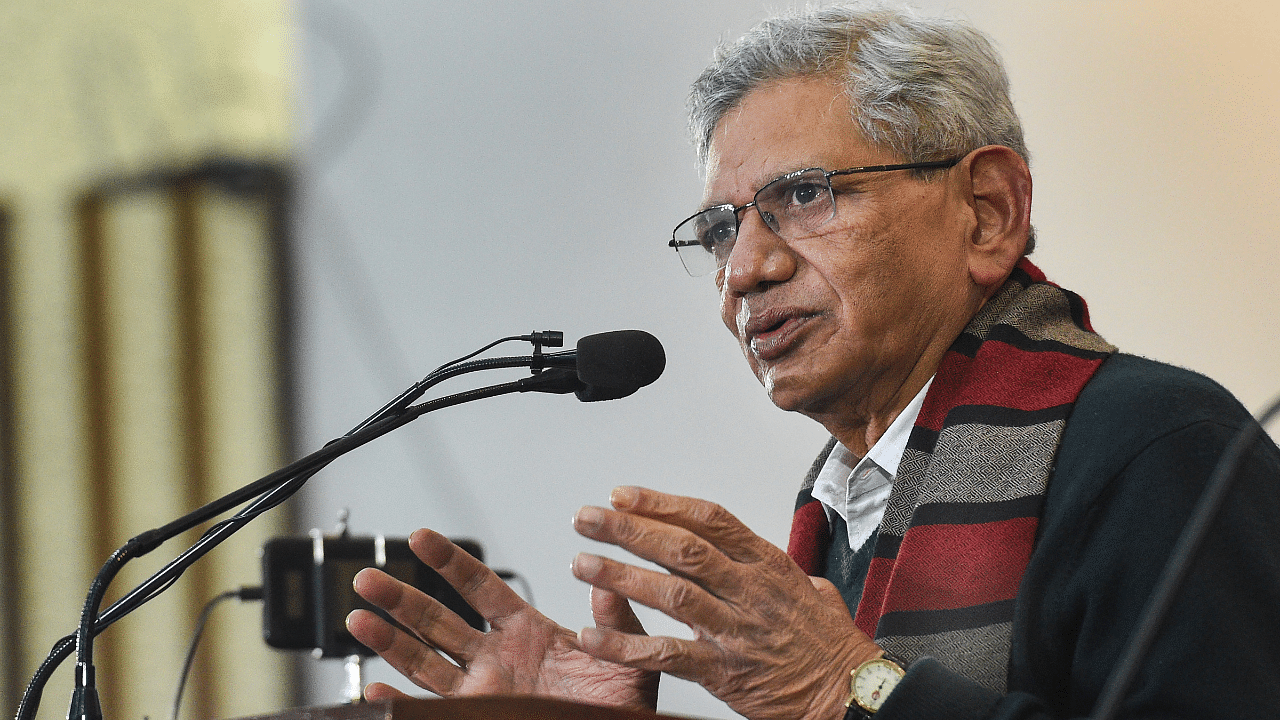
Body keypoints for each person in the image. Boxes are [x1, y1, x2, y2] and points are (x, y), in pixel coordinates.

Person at [345, 4, 1280, 719]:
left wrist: (856, 686)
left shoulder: (1164, 452)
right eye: (720, 228)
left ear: (987, 211)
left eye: (803, 194)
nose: (747, 268)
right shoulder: (848, 507)